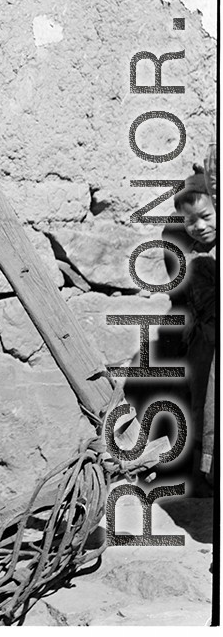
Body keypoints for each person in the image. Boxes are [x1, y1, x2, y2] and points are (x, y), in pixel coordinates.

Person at [172, 170, 216, 492]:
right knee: (203, 405)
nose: (199, 226)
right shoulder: (190, 258)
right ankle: (205, 476)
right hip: (205, 345)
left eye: (205, 216)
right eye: (189, 222)